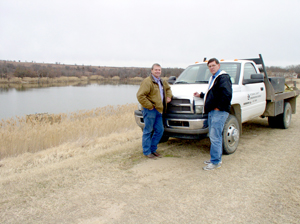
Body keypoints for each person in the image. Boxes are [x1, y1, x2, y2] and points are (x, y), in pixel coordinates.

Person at [194, 58, 232, 170]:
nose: (211, 68)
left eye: (213, 65)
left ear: (218, 65)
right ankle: (214, 158)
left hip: (218, 112)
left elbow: (227, 94)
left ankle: (216, 162)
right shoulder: (214, 78)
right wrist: (201, 95)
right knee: (214, 136)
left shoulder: (223, 78)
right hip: (212, 111)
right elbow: (213, 93)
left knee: (215, 137)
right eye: (209, 66)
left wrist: (218, 107)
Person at [137, 63, 172, 159]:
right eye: (156, 69)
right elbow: (140, 95)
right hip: (150, 110)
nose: (158, 71)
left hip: (159, 111)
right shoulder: (147, 81)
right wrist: (149, 106)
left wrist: (169, 96)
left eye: (159, 70)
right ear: (152, 71)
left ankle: (153, 149)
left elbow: (168, 89)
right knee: (148, 131)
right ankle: (147, 151)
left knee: (160, 130)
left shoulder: (161, 81)